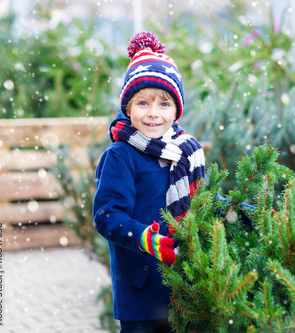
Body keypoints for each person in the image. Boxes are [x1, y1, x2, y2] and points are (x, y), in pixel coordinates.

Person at [93, 31, 205, 333]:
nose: (153, 113)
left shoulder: (185, 153)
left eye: (164, 104)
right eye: (143, 103)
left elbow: (203, 203)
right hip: (140, 291)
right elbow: (107, 215)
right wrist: (146, 239)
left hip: (184, 289)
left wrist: (243, 210)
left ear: (176, 110)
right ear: (128, 108)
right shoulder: (120, 156)